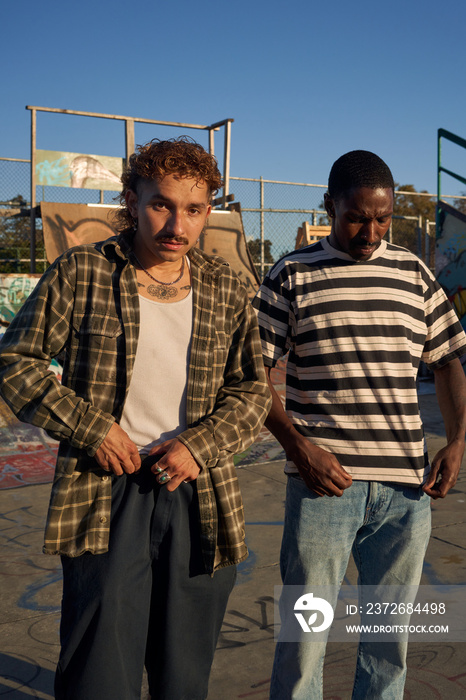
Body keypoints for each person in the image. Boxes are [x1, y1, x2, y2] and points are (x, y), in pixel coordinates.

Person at [0, 137, 271, 700]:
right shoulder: (82, 273)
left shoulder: (226, 287)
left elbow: (252, 391)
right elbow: (14, 363)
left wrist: (199, 446)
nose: (178, 224)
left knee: (183, 673)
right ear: (131, 199)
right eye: (161, 204)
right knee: (100, 671)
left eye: (194, 209)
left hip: (201, 493)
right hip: (106, 492)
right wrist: (91, 428)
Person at [252, 150, 466, 699]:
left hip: (406, 494)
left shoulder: (415, 274)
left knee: (386, 644)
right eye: (356, 217)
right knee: (305, 639)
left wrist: (458, 441)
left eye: (383, 218)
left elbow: (447, 362)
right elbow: (253, 378)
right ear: (329, 206)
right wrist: (299, 448)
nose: (371, 231)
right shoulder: (292, 274)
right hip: (323, 489)